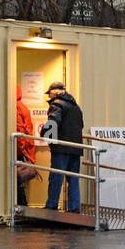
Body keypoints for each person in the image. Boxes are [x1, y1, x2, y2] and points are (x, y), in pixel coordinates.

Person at [42, 81, 84, 213]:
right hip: (76, 148)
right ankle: (74, 207)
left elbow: (53, 122)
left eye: (49, 93)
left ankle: (52, 205)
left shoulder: (56, 104)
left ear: (54, 92)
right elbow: (81, 126)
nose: (49, 96)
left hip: (61, 148)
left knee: (56, 177)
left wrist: (45, 136)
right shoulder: (76, 107)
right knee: (73, 179)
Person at [14, 86, 37, 207]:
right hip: (27, 147)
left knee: (16, 178)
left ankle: (21, 205)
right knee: (18, 180)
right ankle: (22, 204)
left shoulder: (16, 107)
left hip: (22, 149)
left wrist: (20, 150)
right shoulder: (23, 107)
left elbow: (20, 131)